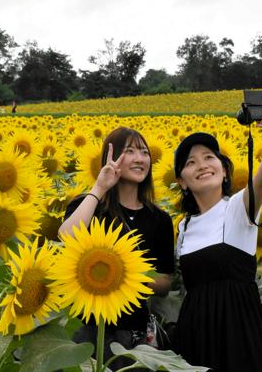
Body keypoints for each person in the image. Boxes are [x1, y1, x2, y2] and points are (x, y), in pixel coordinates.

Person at [173, 101, 262, 371]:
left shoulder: (237, 208)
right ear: (183, 182)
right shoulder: (183, 228)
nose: (201, 165)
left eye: (209, 157)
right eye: (191, 162)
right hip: (195, 331)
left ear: (223, 170)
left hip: (237, 330)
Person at [59, 127, 175, 361]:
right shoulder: (90, 205)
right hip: (86, 328)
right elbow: (67, 235)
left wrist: (124, 275)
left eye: (144, 152)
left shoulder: (159, 219)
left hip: (134, 333)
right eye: (129, 151)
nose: (140, 158)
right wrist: (100, 188)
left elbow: (165, 282)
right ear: (111, 158)